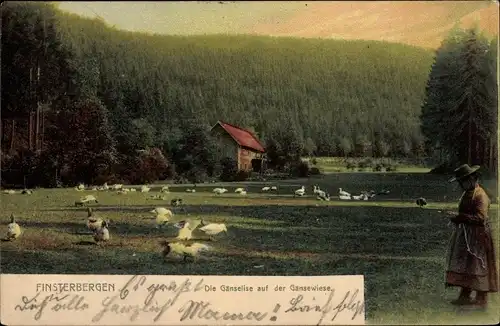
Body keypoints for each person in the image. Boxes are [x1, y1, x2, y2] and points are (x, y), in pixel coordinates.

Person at [445, 164, 498, 307]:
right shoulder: (468, 193)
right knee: (466, 264)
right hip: (467, 235)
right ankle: (465, 295)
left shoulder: (481, 195)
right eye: (460, 182)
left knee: (479, 264)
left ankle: (482, 297)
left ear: (472, 179)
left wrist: (459, 217)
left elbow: (480, 218)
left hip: (479, 236)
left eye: (463, 181)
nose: (461, 185)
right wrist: (457, 217)